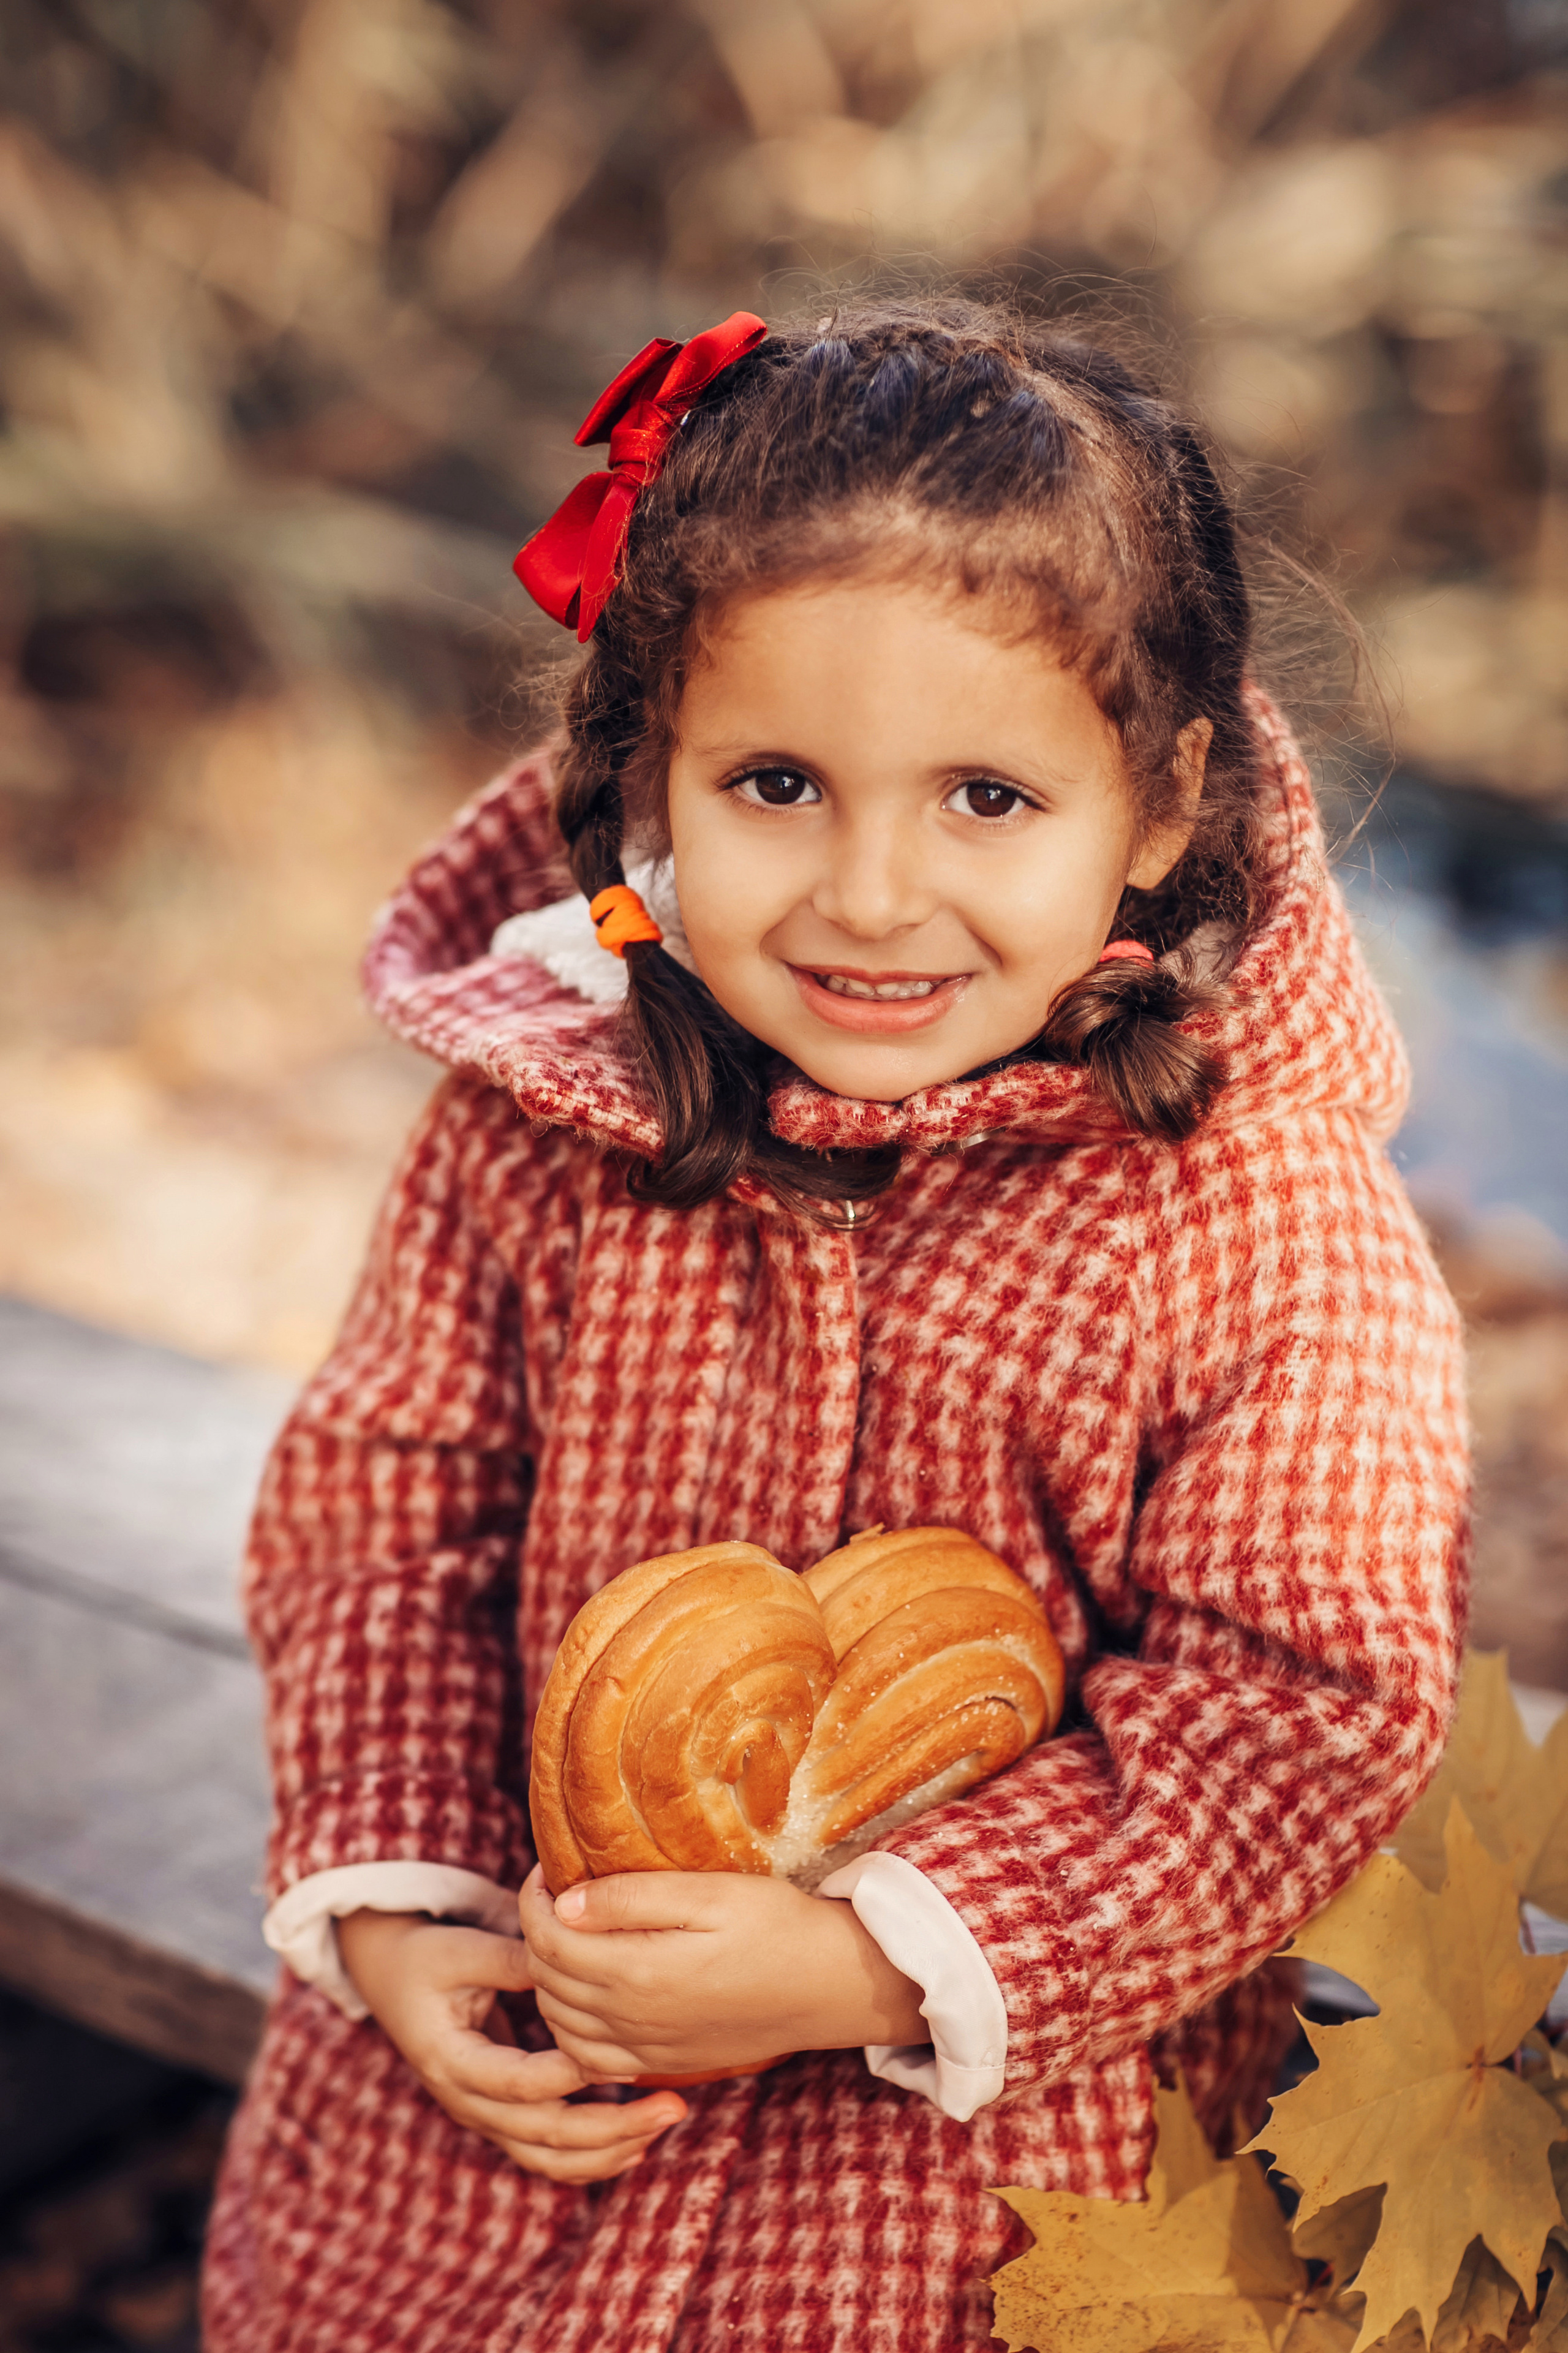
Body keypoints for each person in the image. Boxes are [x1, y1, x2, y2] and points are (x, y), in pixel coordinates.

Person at [202, 300, 1469, 2353]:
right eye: (779, 782)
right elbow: (386, 1507)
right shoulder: (538, 1132)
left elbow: (1299, 1701)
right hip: (514, 2128)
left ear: (1158, 806)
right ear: (646, 779)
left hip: (975, 2210)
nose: (874, 896)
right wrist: (407, 1893)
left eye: (987, 797)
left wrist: (883, 1959)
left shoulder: (1257, 1223)